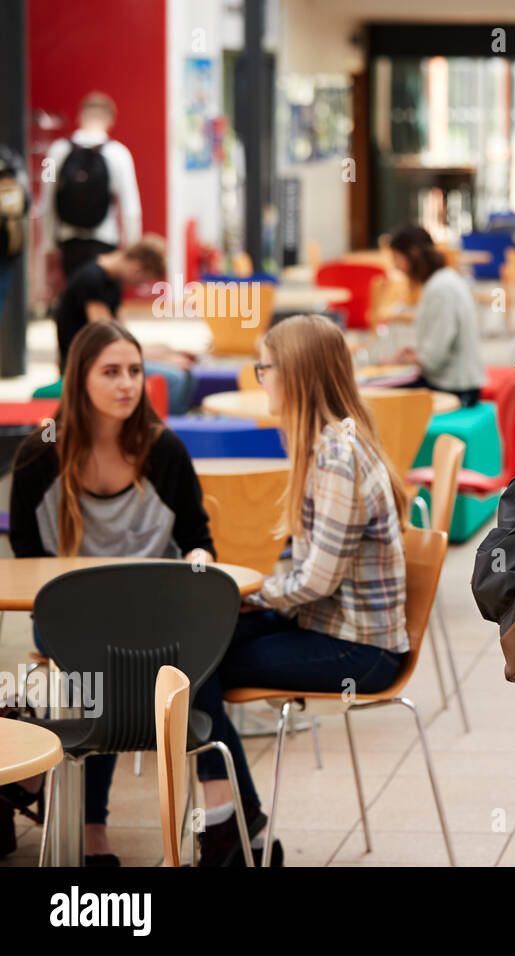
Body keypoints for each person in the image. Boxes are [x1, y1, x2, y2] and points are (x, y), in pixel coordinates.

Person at [191, 314, 410, 867]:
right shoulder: (329, 442)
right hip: (330, 625)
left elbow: (317, 580)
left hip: (360, 651)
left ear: (295, 374)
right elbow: (311, 574)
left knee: (192, 669)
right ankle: (244, 834)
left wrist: (254, 596)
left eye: (264, 367)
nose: (258, 377)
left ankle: (233, 837)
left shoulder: (335, 457)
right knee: (191, 651)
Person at [4, 320, 215, 866]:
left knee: (169, 667)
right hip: (69, 618)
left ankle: (72, 812)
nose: (127, 384)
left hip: (151, 618)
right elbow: (27, 561)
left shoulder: (163, 450)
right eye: (111, 372)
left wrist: (198, 565)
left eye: (136, 371)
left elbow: (198, 540)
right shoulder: (38, 455)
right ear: (80, 380)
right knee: (110, 666)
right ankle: (229, 827)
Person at [54, 235, 196, 413]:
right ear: (137, 268)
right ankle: (162, 432)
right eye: (143, 280)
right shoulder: (91, 280)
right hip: (86, 362)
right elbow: (108, 340)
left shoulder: (112, 281)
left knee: (186, 371)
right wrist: (163, 359)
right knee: (175, 379)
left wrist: (166, 352)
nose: (139, 285)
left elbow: (121, 334)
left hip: (106, 355)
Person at [42, 92, 143, 284]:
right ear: (111, 120)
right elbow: (131, 208)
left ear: (79, 116)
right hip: (105, 240)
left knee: (73, 303)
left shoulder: (56, 150)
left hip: (68, 241)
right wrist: (132, 249)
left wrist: (48, 244)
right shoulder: (120, 154)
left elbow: (46, 200)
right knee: (101, 300)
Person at [384, 224, 486, 406]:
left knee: (378, 397)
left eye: (397, 258)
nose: (396, 267)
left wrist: (404, 360)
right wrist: (413, 354)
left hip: (455, 388)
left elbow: (434, 359)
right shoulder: (443, 280)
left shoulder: (440, 289)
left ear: (412, 254)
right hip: (452, 381)